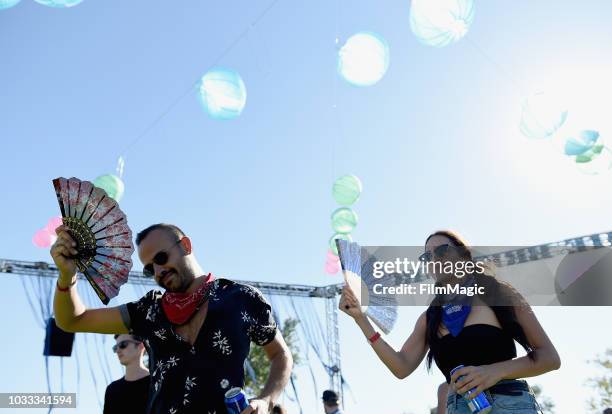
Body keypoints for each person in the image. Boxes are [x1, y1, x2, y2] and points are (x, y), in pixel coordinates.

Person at [52, 223, 293, 414]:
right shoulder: (149, 310)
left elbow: (280, 354)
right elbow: (72, 320)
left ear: (186, 245)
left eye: (161, 258)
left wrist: (266, 400)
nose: (158, 271)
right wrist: (66, 275)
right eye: (149, 269)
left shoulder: (241, 298)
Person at [339, 230, 561, 414]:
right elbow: (401, 366)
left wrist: (495, 371)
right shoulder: (431, 317)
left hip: (509, 404)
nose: (435, 259)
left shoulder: (499, 294)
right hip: (460, 408)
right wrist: (361, 319)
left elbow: (550, 358)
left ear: (464, 255)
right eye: (427, 257)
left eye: (442, 250)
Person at [104, 334, 150, 414]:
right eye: (115, 347)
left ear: (141, 346)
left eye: (123, 345)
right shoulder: (112, 390)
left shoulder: (156, 383)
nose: (118, 350)